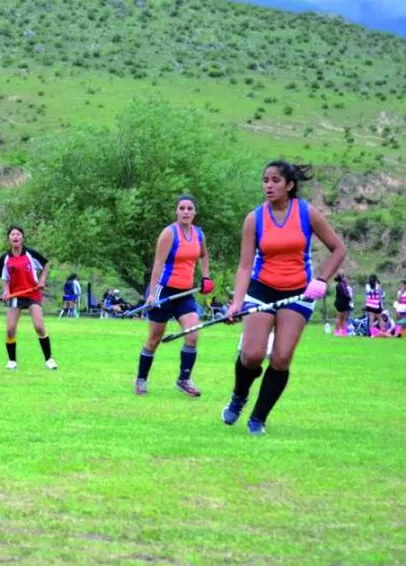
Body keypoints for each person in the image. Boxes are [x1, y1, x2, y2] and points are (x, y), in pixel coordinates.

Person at [222, 161, 346, 435]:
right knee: (252, 354)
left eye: (275, 180)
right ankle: (239, 395)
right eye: (265, 179)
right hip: (262, 288)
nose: (268, 185)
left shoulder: (307, 213)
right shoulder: (254, 218)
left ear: (289, 185)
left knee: (281, 358)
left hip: (299, 291)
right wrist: (236, 302)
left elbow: (338, 249)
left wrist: (321, 279)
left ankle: (258, 419)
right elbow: (244, 266)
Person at [134, 195, 214, 397]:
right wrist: (151, 294)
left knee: (193, 334)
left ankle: (184, 380)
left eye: (190, 208)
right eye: (182, 208)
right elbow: (158, 265)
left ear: (195, 212)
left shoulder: (199, 234)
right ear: (176, 211)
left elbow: (203, 256)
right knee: (154, 339)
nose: (186, 211)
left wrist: (206, 277)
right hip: (164, 291)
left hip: (185, 294)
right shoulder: (169, 234)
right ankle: (141, 379)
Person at [0, 225, 57, 370]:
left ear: (22, 237)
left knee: (39, 326)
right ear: (9, 238)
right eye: (12, 234)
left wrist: (42, 280)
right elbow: (5, 278)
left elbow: (46, 264)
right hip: (15, 296)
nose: (15, 237)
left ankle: (49, 359)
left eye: (18, 234)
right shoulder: (5, 258)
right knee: (10, 329)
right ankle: (12, 361)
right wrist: (6, 291)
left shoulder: (30, 254)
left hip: (32, 294)